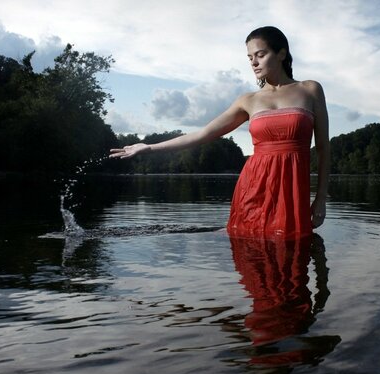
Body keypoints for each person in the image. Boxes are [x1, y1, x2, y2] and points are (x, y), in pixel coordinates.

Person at [110, 26, 330, 240]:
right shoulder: (248, 100)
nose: (253, 62)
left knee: (292, 260)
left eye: (260, 55)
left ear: (281, 53)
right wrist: (148, 147)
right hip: (254, 189)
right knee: (253, 257)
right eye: (249, 57)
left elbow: (322, 148)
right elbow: (204, 133)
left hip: (292, 191)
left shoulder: (310, 90)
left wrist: (321, 198)